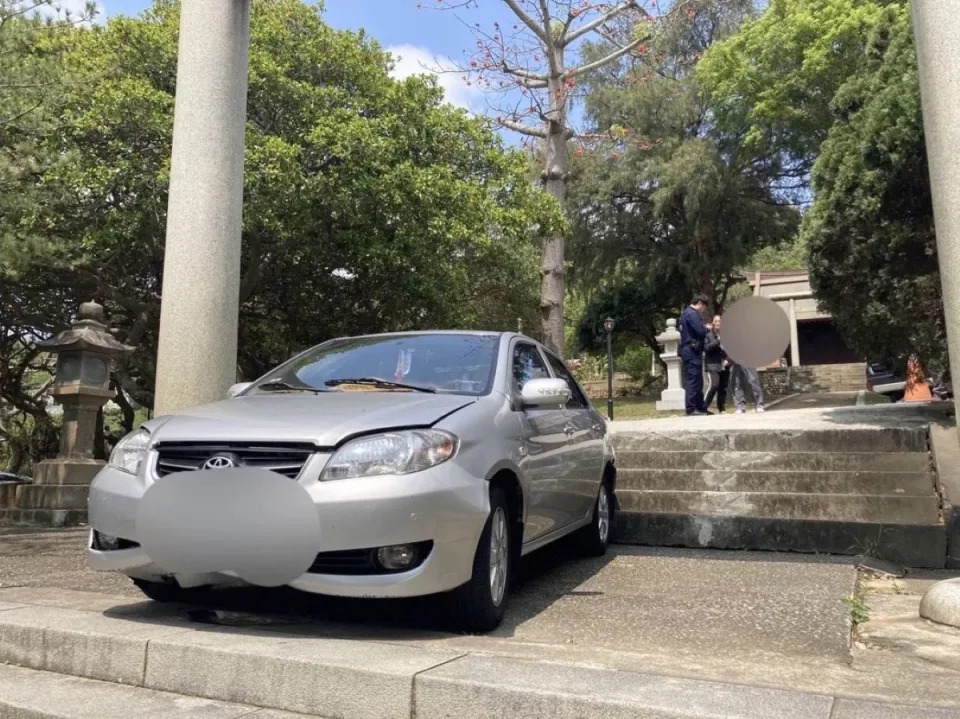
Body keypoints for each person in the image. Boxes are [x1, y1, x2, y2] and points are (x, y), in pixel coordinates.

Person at [679, 293, 711, 416]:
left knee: (698, 380)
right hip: (692, 350)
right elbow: (699, 331)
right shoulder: (692, 314)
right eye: (704, 308)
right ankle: (692, 408)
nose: (703, 311)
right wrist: (706, 328)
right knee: (693, 380)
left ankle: (700, 407)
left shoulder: (685, 313)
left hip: (690, 350)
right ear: (700, 304)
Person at [703, 314, 729, 413]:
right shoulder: (709, 335)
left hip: (724, 364)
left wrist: (728, 359)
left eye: (720, 321)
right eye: (716, 321)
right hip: (712, 364)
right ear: (713, 323)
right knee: (714, 385)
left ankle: (721, 408)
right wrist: (718, 340)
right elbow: (707, 348)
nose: (718, 323)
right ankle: (704, 407)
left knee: (723, 387)